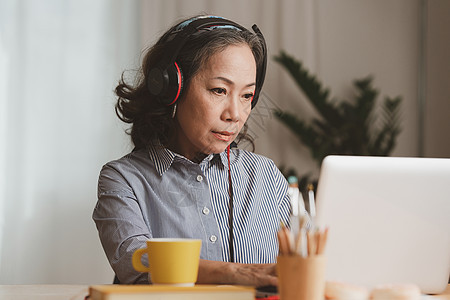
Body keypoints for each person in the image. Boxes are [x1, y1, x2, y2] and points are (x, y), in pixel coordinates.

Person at [93, 15, 291, 287]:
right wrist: (239, 274)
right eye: (219, 90)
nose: (235, 114)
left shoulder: (266, 176)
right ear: (172, 88)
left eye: (247, 96)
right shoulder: (123, 179)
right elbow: (137, 263)